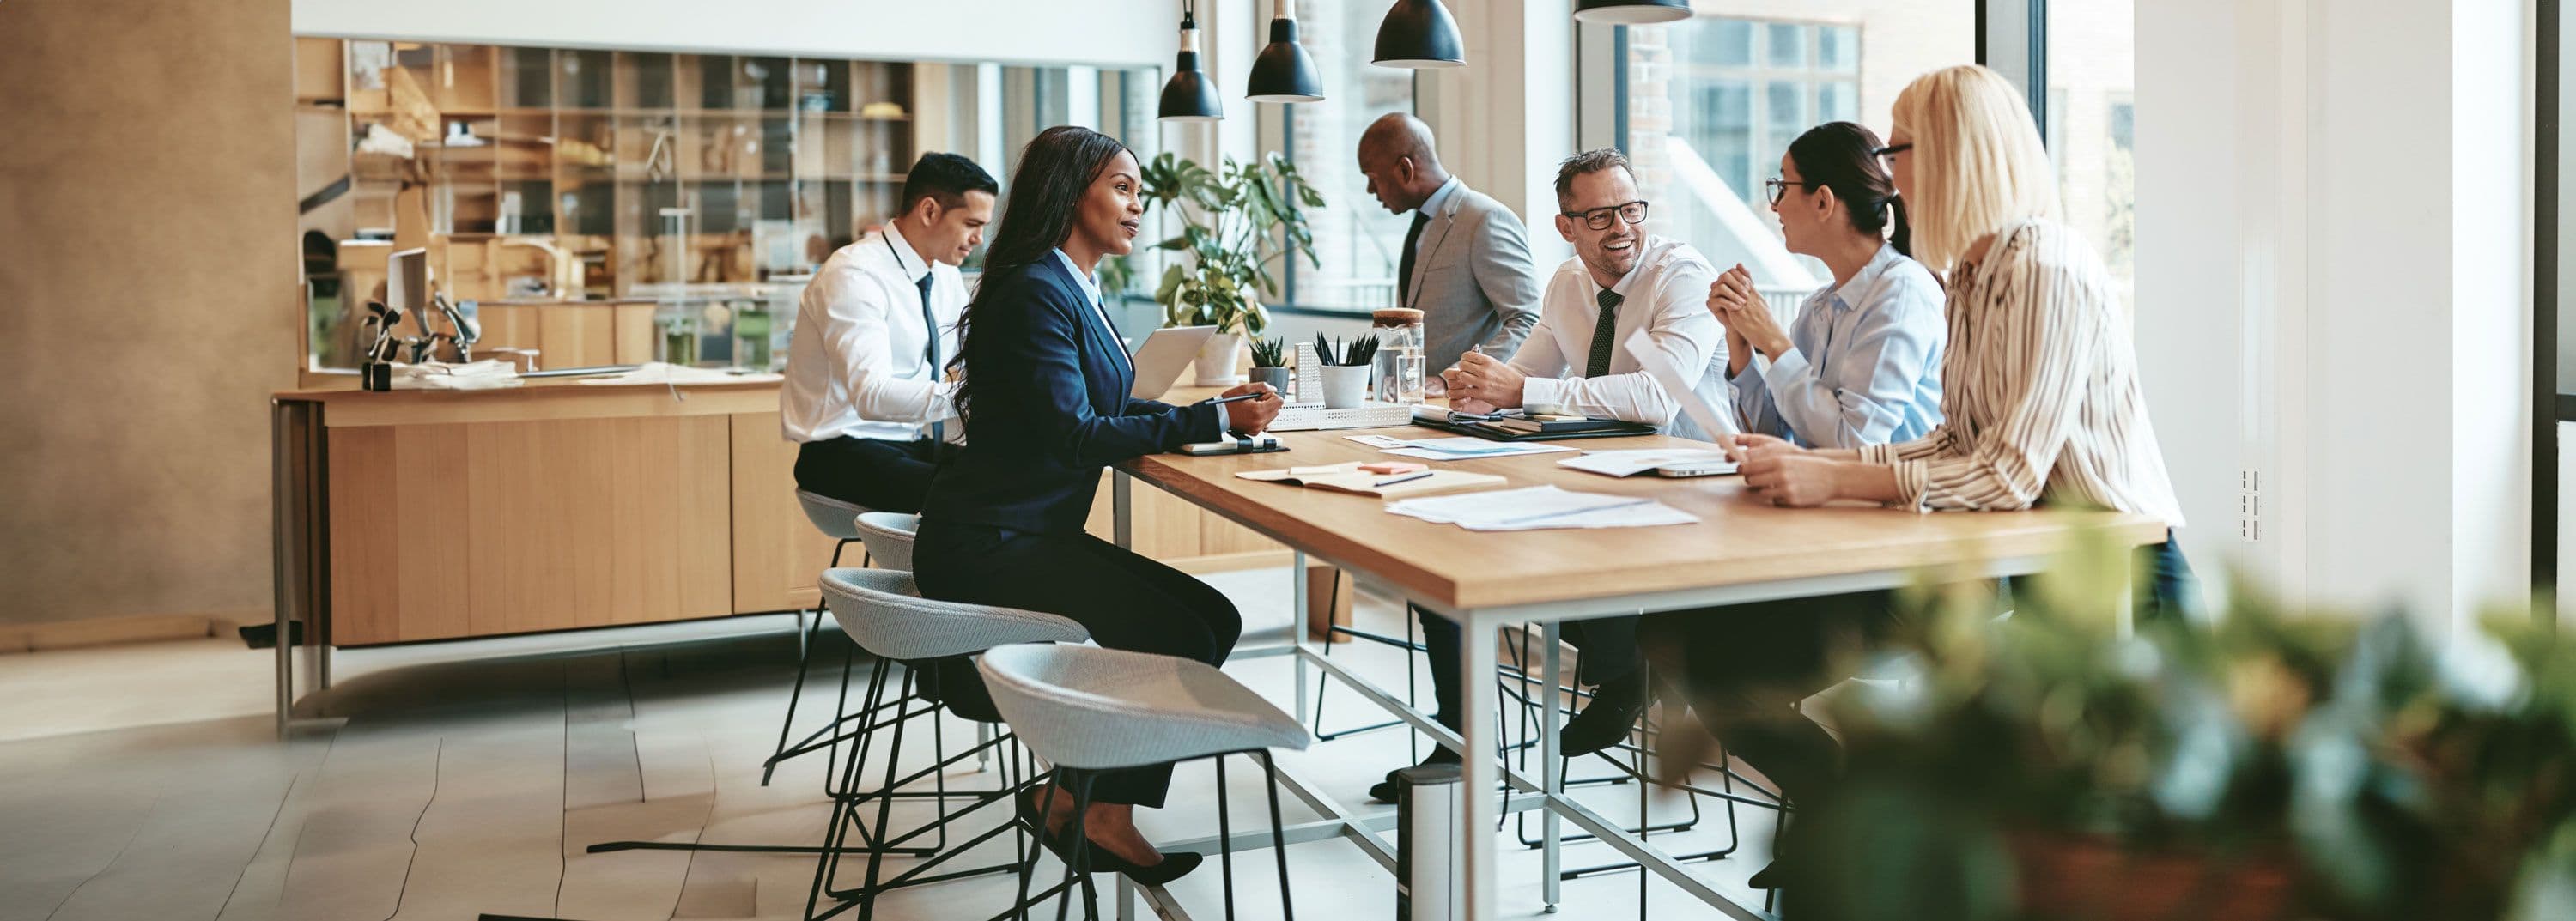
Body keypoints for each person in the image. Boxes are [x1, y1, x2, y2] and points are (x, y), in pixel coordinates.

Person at [1644, 64, 2193, 891]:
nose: (1889, 178)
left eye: (1898, 148)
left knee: (2113, 851)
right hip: (2037, 559)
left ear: (1951, 152)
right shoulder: (1973, 275)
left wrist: (1835, 478)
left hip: (2118, 575)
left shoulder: (2042, 268)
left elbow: (2005, 470)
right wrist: (1823, 466)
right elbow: (1951, 439)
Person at [912, 125, 1283, 886]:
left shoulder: (1069, 282)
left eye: (1138, 191)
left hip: (1026, 529)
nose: (1137, 205)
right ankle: (1099, 808)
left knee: (1215, 619)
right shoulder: (1034, 289)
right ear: (1068, 191)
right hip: (989, 542)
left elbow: (1097, 407)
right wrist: (1212, 421)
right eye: (1121, 186)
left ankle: (1072, 793)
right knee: (1180, 630)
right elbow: (1074, 431)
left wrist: (1210, 409)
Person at [1361, 149, 1727, 805]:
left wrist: (1521, 388)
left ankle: (1626, 672)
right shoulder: (1566, 284)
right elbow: (1523, 376)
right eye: (1600, 215)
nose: (1621, 227)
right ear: (1567, 227)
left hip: (1692, 481)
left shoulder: (1681, 276)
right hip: (1603, 471)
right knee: (1454, 539)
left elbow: (1655, 399)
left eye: (1630, 209)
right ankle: (1498, 721)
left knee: (1550, 541)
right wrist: (1477, 390)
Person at [780, 152, 997, 512]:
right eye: (972, 224)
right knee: (973, 499)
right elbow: (872, 394)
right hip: (840, 450)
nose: (979, 239)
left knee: (1017, 478)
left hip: (908, 443)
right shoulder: (854, 274)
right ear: (929, 211)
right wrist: (973, 394)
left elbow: (968, 354)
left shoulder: (943, 274)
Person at [1711, 121, 1947, 449]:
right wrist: (1740, 340)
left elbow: (1856, 445)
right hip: (1830, 497)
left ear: (1823, 201)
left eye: (1783, 186)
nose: (1775, 205)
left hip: (1892, 498)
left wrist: (1773, 339)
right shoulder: (1818, 308)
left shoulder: (1901, 293)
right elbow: (1774, 438)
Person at [1356, 112, 1542, 377]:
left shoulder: (1485, 219)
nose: (1370, 190)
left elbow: (1528, 321)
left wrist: (1454, 378)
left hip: (1461, 407)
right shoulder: (1420, 223)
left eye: (1372, 178)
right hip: (1417, 405)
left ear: (1405, 169)